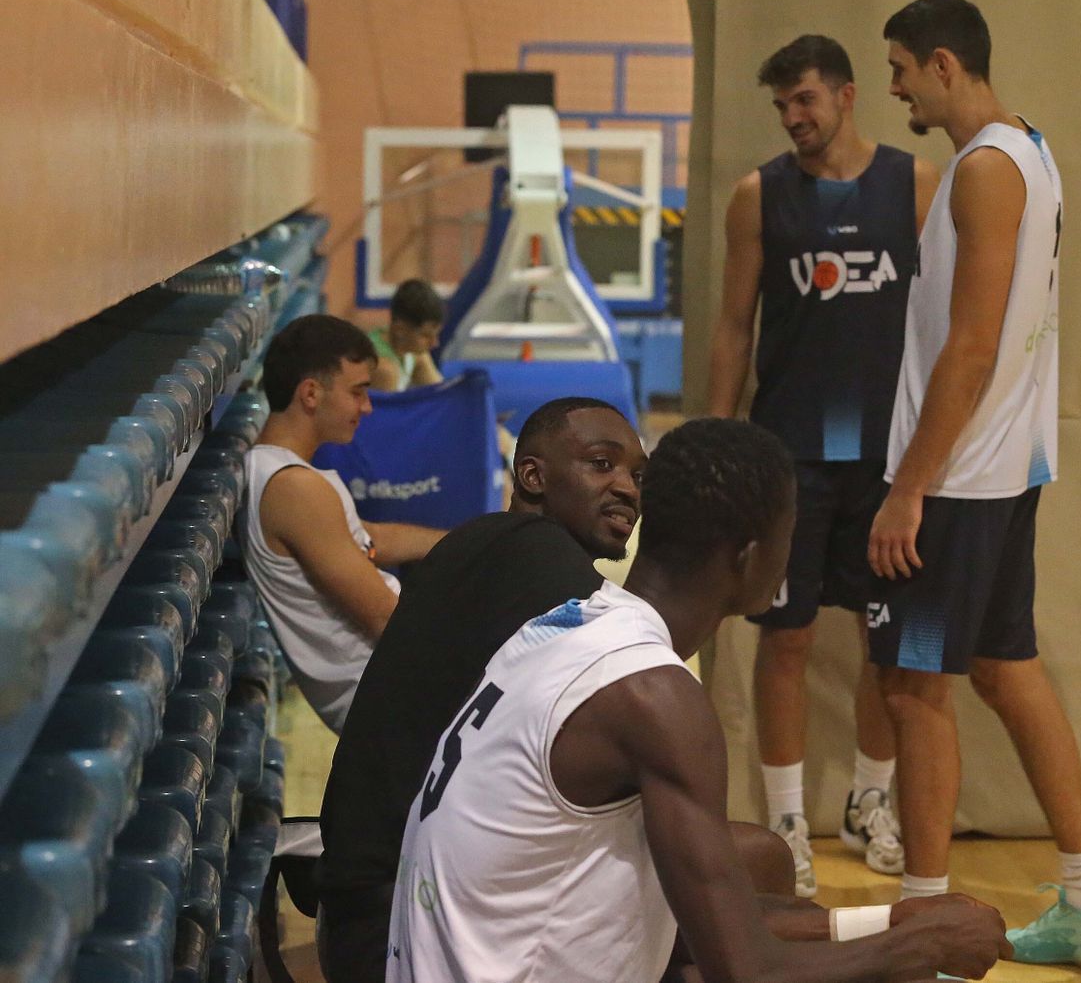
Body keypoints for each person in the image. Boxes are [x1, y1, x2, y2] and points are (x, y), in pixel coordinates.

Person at [388, 418, 1012, 983]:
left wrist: (890, 920)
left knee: (768, 877)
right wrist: (920, 944)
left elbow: (704, 920)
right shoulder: (654, 697)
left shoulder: (569, 622)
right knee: (884, 974)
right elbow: (748, 972)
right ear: (749, 557)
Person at [866, 0, 1081, 965]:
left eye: (898, 69)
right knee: (1001, 667)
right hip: (1003, 472)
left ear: (944, 65)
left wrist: (909, 488)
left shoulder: (983, 171)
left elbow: (972, 345)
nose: (891, 87)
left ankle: (924, 926)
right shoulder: (1033, 150)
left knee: (913, 690)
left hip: (957, 486)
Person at [707, 33, 940, 895]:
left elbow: (949, 322)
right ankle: (786, 821)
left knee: (893, 642)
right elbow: (734, 327)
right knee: (789, 635)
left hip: (889, 455)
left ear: (846, 96)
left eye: (805, 100)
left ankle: (870, 800)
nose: (795, 118)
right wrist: (718, 445)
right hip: (790, 451)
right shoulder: (756, 195)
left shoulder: (916, 184)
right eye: (782, 107)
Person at [316, 396, 645, 983]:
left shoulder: (482, 544)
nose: (626, 488)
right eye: (602, 464)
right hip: (400, 935)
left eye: (637, 476)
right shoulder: (535, 559)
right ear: (532, 476)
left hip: (358, 914)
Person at [240, 314, 445, 733]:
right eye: (358, 393)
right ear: (311, 394)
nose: (367, 408)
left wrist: (471, 541)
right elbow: (384, 618)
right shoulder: (293, 488)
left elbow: (372, 539)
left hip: (398, 686)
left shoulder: (287, 475)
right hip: (396, 700)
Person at [368, 279, 445, 392]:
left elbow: (440, 395)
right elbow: (391, 410)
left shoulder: (414, 353)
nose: (435, 343)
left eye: (436, 335)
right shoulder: (384, 368)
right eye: (425, 335)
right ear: (400, 329)